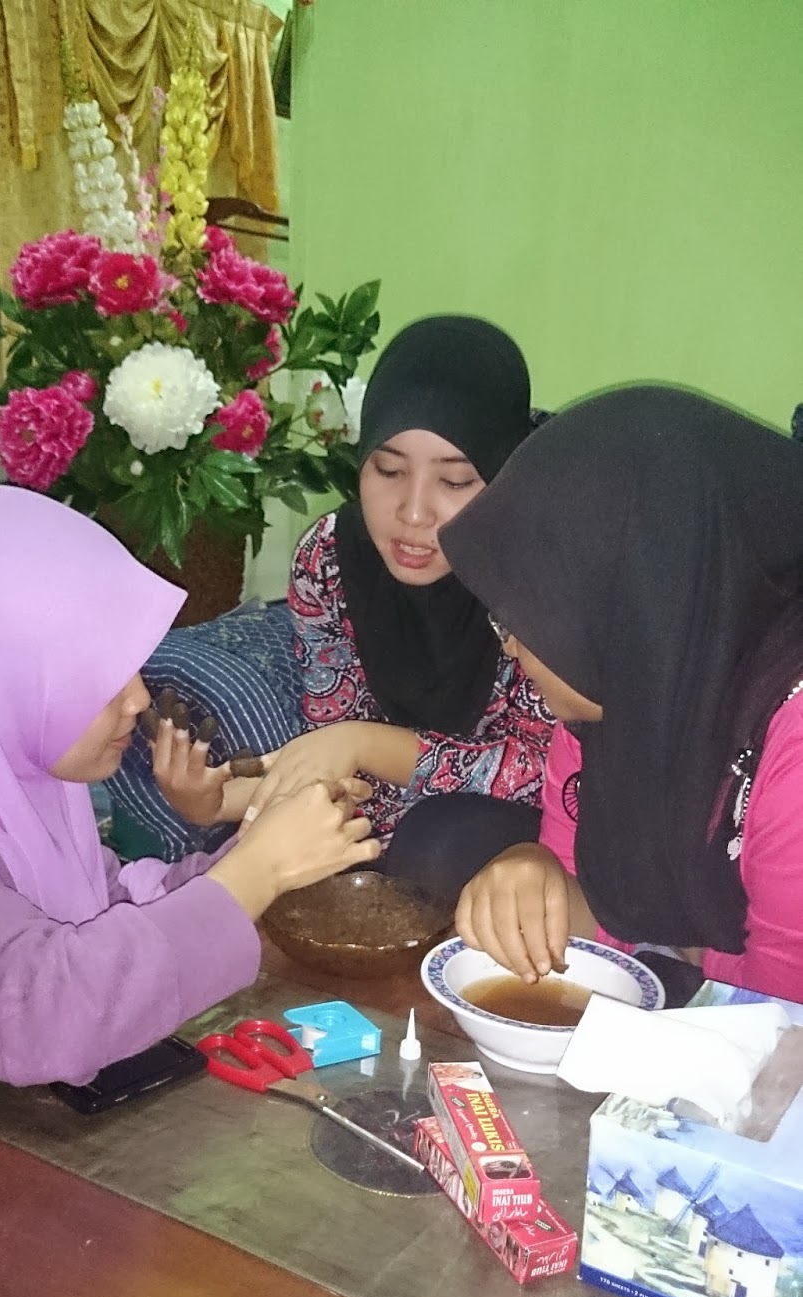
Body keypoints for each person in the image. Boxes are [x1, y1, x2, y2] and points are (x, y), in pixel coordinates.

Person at [0, 488, 378, 1088]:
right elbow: (36, 1018)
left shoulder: (14, 785)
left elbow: (111, 911)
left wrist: (272, 841)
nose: (138, 698)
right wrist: (258, 870)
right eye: (97, 678)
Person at [156, 316, 554, 906]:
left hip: (529, 829)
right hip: (397, 806)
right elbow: (335, 750)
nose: (412, 513)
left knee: (434, 848)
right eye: (388, 470)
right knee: (282, 862)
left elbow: (543, 771)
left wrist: (363, 744)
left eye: (455, 481)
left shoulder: (544, 576)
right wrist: (217, 804)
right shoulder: (329, 561)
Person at [440, 385, 803, 1004]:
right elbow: (600, 922)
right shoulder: (611, 702)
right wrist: (537, 875)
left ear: (627, 609)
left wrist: (683, 951)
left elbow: (781, 1020)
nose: (510, 648)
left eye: (524, 620)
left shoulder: (790, 743)